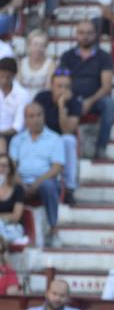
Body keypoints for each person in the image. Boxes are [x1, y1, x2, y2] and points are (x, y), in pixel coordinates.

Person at [9, 101, 63, 247]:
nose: (35, 119)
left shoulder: (55, 138)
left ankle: (53, 229)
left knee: (49, 186)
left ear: (44, 116)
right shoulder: (17, 140)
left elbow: (57, 168)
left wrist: (36, 183)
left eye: (38, 115)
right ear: (25, 119)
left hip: (44, 181)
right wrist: (21, 183)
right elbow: (11, 167)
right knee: (7, 185)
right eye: (31, 116)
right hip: (21, 181)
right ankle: (11, 229)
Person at [60, 19, 114, 160]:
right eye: (81, 33)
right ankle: (58, 147)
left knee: (109, 104)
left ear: (96, 34)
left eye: (89, 33)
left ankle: (101, 148)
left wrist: (89, 101)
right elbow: (62, 81)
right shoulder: (67, 56)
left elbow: (106, 86)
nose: (85, 36)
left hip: (95, 100)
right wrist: (74, 100)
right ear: (76, 35)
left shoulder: (104, 57)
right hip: (71, 98)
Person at [34, 69, 80, 204]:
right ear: (51, 86)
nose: (63, 90)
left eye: (66, 86)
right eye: (59, 86)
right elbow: (33, 122)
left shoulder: (74, 102)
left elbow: (67, 130)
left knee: (69, 140)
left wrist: (61, 107)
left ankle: (69, 189)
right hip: (42, 137)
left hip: (60, 140)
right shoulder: (41, 97)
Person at [0, 57, 29, 154]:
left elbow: (17, 128)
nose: (3, 81)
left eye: (7, 77)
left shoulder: (22, 94)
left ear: (14, 76)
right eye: (1, 76)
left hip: (13, 136)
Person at [0, 153, 24, 245]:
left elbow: (15, 217)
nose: (1, 169)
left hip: (12, 228)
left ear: (10, 169)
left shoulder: (18, 189)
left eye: (4, 166)